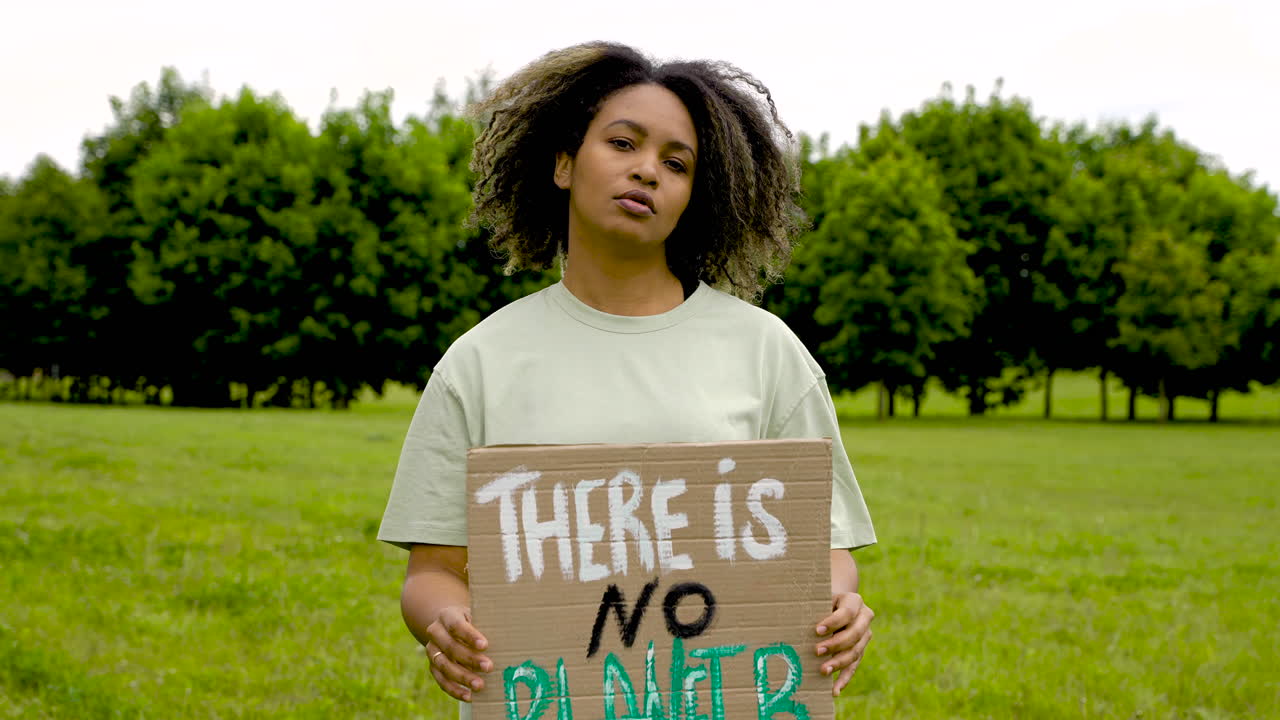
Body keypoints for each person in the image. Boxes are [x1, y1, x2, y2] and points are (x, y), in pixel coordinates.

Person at [377, 41, 876, 717]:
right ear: (562, 163)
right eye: (622, 143)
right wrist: (445, 623)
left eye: (677, 164)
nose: (647, 171)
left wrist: (841, 602)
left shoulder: (768, 353)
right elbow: (433, 570)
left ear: (695, 197)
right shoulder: (481, 361)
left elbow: (827, 552)